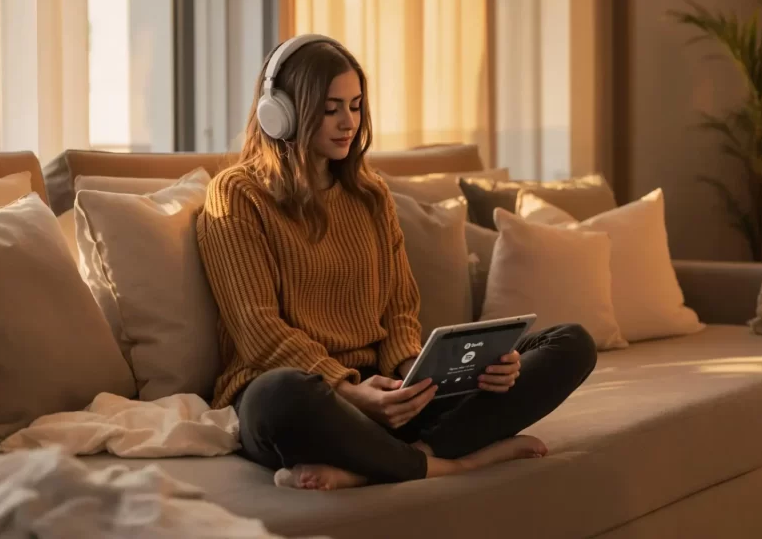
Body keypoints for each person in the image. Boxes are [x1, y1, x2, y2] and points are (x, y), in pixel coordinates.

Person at [196, 34, 597, 491]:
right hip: (309, 396)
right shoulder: (236, 194)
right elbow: (257, 331)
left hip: (385, 392)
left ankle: (387, 461)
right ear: (281, 113)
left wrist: (414, 371)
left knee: (571, 343)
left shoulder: (371, 194)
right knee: (281, 396)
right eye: (331, 109)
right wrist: (348, 391)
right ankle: (450, 461)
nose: (348, 122)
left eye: (355, 105)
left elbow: (399, 308)